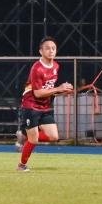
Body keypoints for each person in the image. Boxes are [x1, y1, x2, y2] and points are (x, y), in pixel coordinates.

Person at [16, 36, 74, 171]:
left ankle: (25, 136)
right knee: (34, 140)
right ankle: (21, 165)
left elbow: (49, 90)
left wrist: (62, 91)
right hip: (31, 106)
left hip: (44, 107)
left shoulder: (56, 66)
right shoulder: (37, 68)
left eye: (53, 48)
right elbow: (37, 93)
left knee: (54, 136)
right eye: (47, 48)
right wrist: (58, 88)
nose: (51, 51)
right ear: (40, 51)